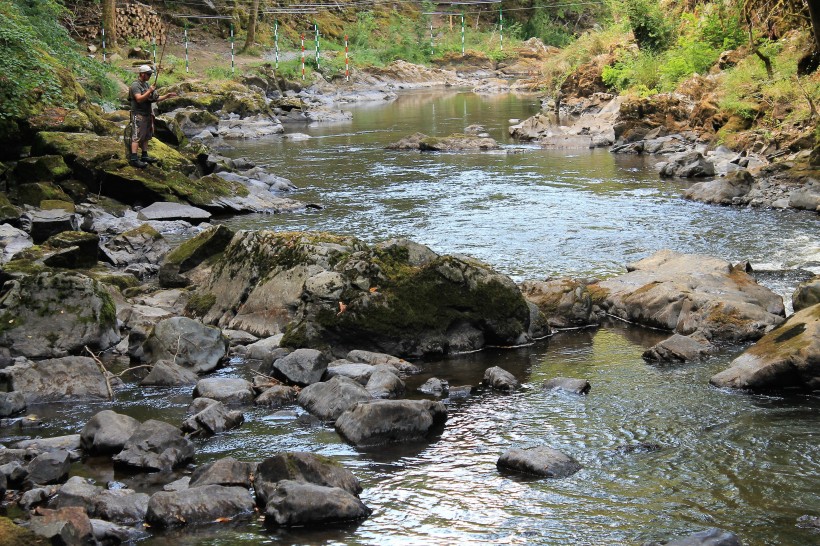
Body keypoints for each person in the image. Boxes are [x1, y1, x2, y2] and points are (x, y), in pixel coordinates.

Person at [128, 64, 177, 168]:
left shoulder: (146, 85)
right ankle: (134, 159)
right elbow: (139, 99)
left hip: (147, 114)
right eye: (148, 74)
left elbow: (156, 98)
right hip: (138, 114)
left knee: (146, 136)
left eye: (150, 74)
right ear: (142, 74)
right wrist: (150, 90)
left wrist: (166, 96)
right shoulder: (135, 85)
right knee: (136, 137)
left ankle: (144, 156)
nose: (149, 76)